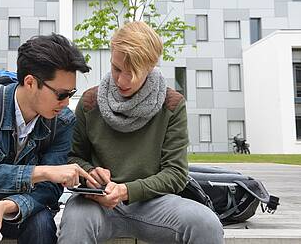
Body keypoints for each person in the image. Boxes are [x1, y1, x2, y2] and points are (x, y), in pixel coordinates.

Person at [58, 22, 224, 244]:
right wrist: (91, 173)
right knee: (75, 222)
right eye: (116, 69)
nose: (121, 80)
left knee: (206, 223)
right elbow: (73, 157)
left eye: (132, 73)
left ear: (150, 66)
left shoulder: (172, 105)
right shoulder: (90, 102)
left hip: (154, 204)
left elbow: (175, 174)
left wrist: (127, 190)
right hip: (96, 205)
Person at [0, 34, 98, 244]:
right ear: (30, 82)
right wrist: (43, 172)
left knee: (41, 225)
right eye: (61, 94)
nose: (66, 103)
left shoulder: (63, 121)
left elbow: (49, 189)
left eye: (71, 93)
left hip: (20, 203)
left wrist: (12, 205)